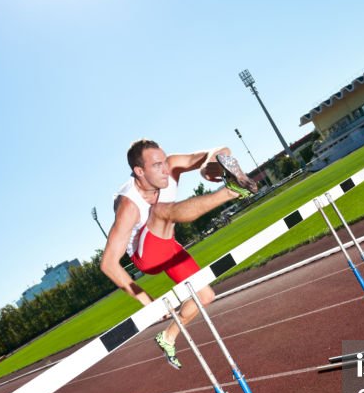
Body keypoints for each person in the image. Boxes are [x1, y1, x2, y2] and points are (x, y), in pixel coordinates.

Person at [100, 139, 258, 369]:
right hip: (147, 256)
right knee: (162, 212)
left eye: (164, 161)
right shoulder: (129, 205)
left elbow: (219, 151)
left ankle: (168, 337)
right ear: (139, 171)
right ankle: (232, 192)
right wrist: (148, 302)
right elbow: (108, 264)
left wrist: (209, 165)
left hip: (168, 244)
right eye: (156, 166)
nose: (165, 169)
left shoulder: (171, 165)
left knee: (204, 295)